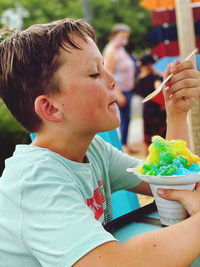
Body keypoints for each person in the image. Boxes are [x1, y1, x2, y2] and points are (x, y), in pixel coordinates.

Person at [0, 18, 200, 267]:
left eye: (105, 67)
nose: (112, 80)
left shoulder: (93, 150)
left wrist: (176, 112)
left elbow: (170, 186)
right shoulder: (33, 182)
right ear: (50, 108)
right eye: (95, 73)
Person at [103, 24, 135, 153]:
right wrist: (118, 93)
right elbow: (109, 74)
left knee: (127, 119)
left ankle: (125, 144)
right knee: (121, 120)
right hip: (120, 91)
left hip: (127, 90)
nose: (125, 40)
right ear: (114, 36)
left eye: (126, 37)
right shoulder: (111, 51)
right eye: (122, 36)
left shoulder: (120, 49)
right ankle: (122, 147)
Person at [135, 54, 166, 155]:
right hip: (158, 111)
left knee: (148, 139)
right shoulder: (155, 77)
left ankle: (148, 157)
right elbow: (158, 89)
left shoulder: (138, 80)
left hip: (146, 112)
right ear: (149, 65)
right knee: (161, 137)